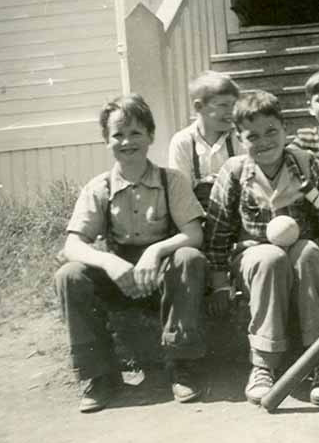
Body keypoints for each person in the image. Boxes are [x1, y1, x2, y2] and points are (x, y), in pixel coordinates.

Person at [54, 94, 209, 413]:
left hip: (163, 280)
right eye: (118, 135)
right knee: (69, 275)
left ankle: (182, 364)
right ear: (106, 141)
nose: (127, 141)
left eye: (136, 133)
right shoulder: (98, 187)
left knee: (188, 259)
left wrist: (156, 251)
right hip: (119, 280)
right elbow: (72, 245)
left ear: (151, 136)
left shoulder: (172, 181)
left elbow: (194, 235)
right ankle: (99, 375)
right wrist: (108, 261)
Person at [204, 90, 319, 406]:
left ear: (285, 130)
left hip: (301, 249)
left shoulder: (305, 164)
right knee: (269, 258)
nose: (264, 141)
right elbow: (218, 231)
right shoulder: (236, 171)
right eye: (253, 136)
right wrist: (218, 281)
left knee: (308, 252)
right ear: (240, 140)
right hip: (254, 253)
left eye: (271, 132)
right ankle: (264, 363)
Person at [168, 71, 242, 210]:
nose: (231, 111)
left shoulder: (238, 138)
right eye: (223, 105)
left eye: (233, 104)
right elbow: (181, 194)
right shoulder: (183, 142)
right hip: (197, 215)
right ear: (199, 107)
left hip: (235, 214)